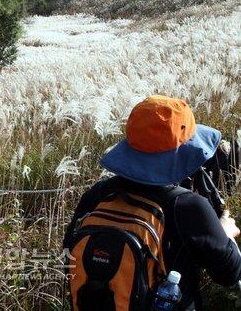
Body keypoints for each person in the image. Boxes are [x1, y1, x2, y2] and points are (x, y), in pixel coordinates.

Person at [64, 95, 241, 311]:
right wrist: (226, 233)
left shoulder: (98, 194)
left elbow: (69, 254)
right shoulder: (189, 207)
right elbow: (229, 274)